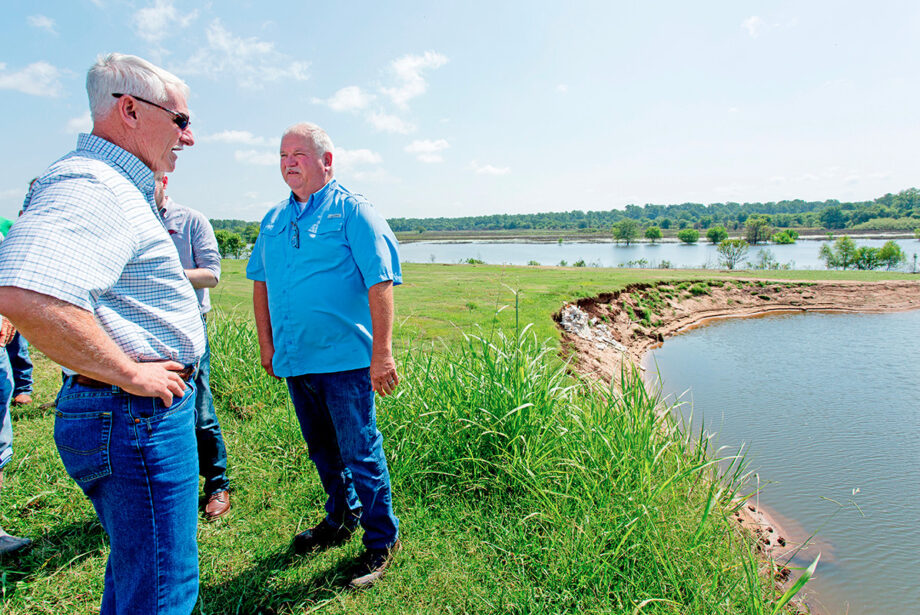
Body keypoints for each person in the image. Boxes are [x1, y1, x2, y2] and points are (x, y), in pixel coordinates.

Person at [0, 53, 204, 613]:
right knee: (164, 590)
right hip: (133, 416)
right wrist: (129, 372)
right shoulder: (94, 182)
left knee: (141, 572)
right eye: (181, 121)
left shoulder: (113, 183)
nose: (190, 137)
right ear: (131, 111)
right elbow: (25, 291)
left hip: (127, 413)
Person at [246, 122, 402, 589]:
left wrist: (383, 353)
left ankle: (382, 540)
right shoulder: (274, 219)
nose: (288, 161)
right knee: (322, 451)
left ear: (326, 161)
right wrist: (267, 344)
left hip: (346, 361)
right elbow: (261, 283)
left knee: (360, 450)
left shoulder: (353, 212)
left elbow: (381, 282)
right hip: (297, 358)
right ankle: (341, 518)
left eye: (298, 153)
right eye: (282, 154)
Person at [154, 172, 231, 520]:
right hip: (143, 329)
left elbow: (212, 275)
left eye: (150, 178)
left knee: (199, 410)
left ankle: (217, 485)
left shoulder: (190, 220)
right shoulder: (129, 218)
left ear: (164, 182)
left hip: (187, 325)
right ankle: (169, 488)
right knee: (155, 411)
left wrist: (161, 274)